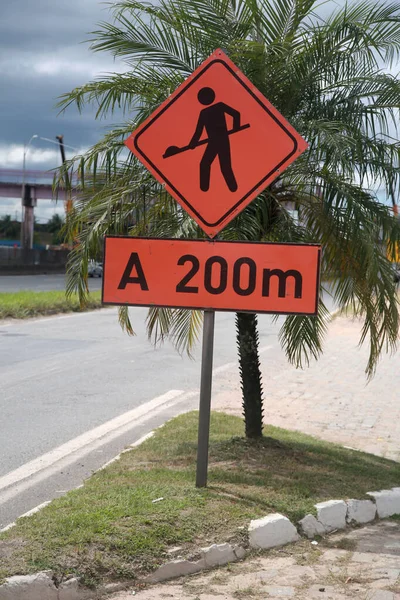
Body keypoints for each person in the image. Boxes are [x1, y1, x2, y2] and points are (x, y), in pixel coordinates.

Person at [189, 87, 240, 192]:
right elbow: (198, 131)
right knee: (206, 164)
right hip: (214, 141)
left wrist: (236, 128)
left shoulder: (219, 106)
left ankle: (233, 189)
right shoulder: (204, 112)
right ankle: (204, 190)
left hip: (222, 140)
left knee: (224, 166)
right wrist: (192, 144)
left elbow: (236, 114)